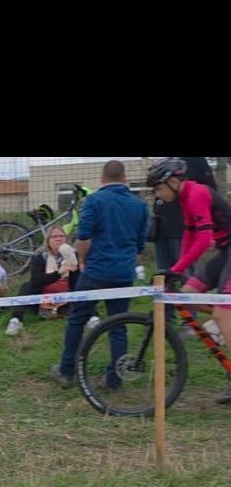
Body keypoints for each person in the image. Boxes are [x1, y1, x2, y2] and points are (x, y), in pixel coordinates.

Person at [50, 162, 148, 388]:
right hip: (123, 273)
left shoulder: (93, 201)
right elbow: (140, 246)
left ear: (102, 179)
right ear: (125, 178)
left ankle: (67, 371)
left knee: (77, 319)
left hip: (96, 271)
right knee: (118, 324)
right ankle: (114, 379)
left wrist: (82, 260)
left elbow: (84, 238)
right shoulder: (140, 206)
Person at [146, 159, 231, 403]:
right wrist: (177, 270)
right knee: (185, 295)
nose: (157, 194)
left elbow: (203, 241)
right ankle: (224, 312)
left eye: (158, 189)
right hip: (225, 252)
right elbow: (190, 235)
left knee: (222, 315)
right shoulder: (184, 198)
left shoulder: (196, 195)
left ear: (173, 182)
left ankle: (224, 315)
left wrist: (178, 266)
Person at [6, 227, 79, 334]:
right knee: (26, 286)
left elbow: (77, 280)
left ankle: (92, 317)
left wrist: (73, 265)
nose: (58, 239)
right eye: (54, 236)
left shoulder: (73, 255)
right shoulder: (40, 257)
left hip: (66, 294)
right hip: (44, 294)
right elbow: (36, 281)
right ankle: (16, 320)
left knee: (83, 285)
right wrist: (59, 273)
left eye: (61, 236)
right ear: (48, 240)